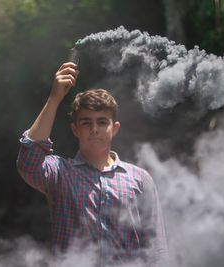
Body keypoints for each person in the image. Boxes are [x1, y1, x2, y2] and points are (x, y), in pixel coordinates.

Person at [17, 62, 169, 266]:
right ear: (75, 129)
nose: (94, 129)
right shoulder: (61, 173)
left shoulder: (140, 179)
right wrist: (54, 99)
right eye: (86, 122)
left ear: (114, 128)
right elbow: (29, 162)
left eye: (102, 122)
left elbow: (156, 248)